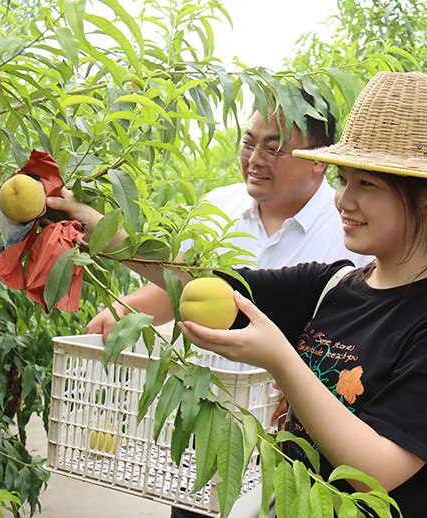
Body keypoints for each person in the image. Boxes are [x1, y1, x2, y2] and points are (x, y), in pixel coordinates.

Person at [48, 71, 427, 518]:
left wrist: (281, 359)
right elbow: (200, 283)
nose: (343, 200)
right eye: (344, 180)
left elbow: (377, 472)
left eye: (367, 185)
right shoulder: (333, 286)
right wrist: (91, 222)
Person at [86, 90, 370, 342]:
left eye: (273, 150)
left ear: (319, 159)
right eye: (248, 144)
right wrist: (128, 308)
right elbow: (182, 289)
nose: (255, 160)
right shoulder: (216, 207)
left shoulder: (351, 231)